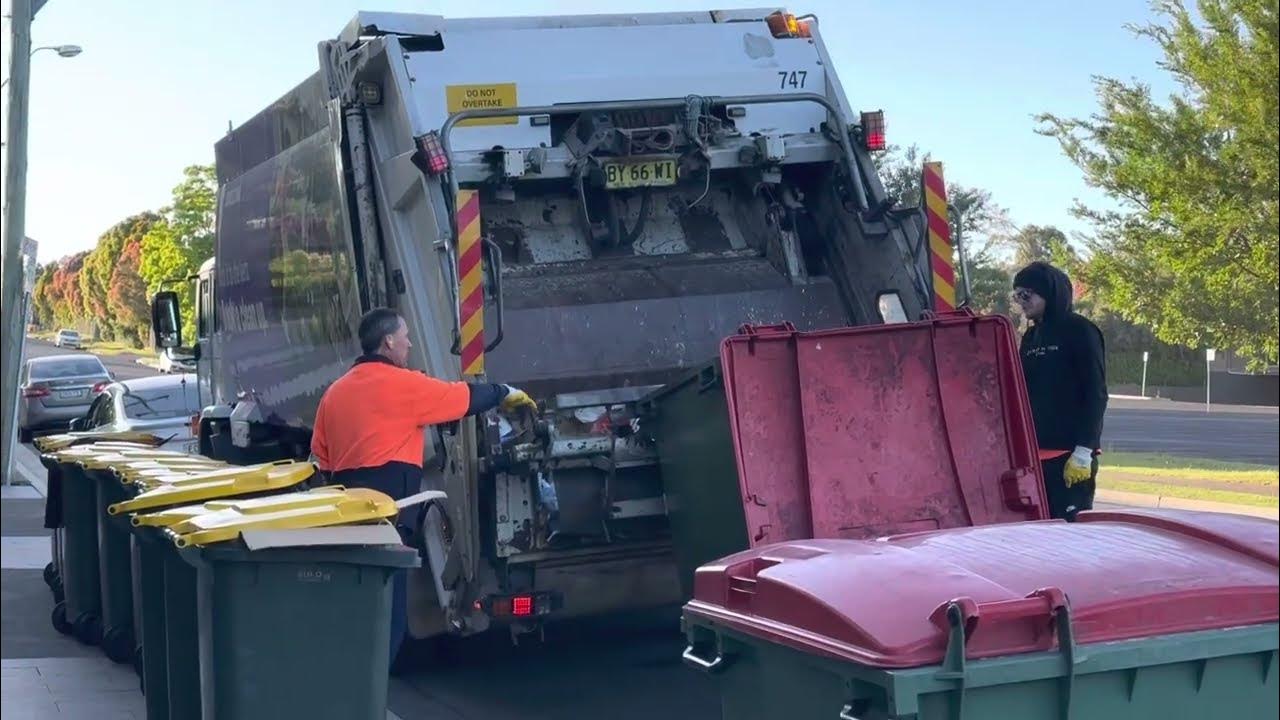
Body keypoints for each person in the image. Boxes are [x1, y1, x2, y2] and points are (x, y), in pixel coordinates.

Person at [310, 307, 536, 665]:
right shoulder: (403, 385)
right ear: (388, 342)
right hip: (389, 523)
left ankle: (348, 677)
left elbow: (320, 460)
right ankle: (371, 685)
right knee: (389, 619)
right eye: (406, 337)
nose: (410, 344)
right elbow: (462, 398)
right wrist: (503, 392)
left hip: (346, 522)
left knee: (357, 609)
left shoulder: (333, 395)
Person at [1011, 261, 1108, 521]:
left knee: (1068, 530)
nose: (1021, 302)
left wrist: (1084, 450)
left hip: (1070, 455)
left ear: (1049, 293)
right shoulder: (1031, 337)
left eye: (1026, 295)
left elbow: (1096, 393)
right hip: (1035, 456)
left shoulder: (1080, 330)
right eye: (1017, 296)